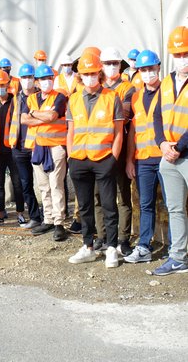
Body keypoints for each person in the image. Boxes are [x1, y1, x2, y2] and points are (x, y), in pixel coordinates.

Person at [67, 52, 124, 268]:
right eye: (86, 73)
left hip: (103, 159)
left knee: (109, 205)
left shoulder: (112, 97)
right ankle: (88, 246)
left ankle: (111, 248)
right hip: (79, 159)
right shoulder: (73, 99)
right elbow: (70, 131)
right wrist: (71, 156)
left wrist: (113, 158)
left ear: (99, 73)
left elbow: (118, 132)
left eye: (93, 73)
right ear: (80, 75)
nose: (90, 77)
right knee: (84, 206)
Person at [152, 26, 188, 276]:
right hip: (169, 156)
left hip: (183, 152)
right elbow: (157, 116)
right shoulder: (166, 82)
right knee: (175, 209)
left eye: (186, 54)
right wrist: (163, 144)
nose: (182, 59)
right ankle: (179, 257)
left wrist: (179, 147)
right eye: (178, 55)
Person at [95, 46, 135, 256]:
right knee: (98, 196)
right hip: (97, 150)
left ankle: (123, 238)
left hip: (120, 146)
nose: (111, 66)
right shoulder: (96, 87)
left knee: (122, 195)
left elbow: (125, 115)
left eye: (115, 63)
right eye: (107, 63)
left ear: (120, 65)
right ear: (101, 66)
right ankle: (102, 236)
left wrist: (99, 117)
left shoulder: (128, 88)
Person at [124, 50, 164, 263]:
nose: (148, 73)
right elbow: (133, 131)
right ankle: (144, 247)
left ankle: (177, 249)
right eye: (144, 69)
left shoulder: (168, 93)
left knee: (174, 205)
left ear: (159, 68)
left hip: (167, 158)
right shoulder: (136, 97)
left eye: (151, 68)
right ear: (138, 71)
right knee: (146, 205)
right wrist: (130, 160)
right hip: (144, 161)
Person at [21, 64, 68, 240]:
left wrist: (34, 114)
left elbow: (52, 116)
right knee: (43, 186)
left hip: (56, 146)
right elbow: (23, 119)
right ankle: (48, 219)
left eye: (49, 78)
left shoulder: (60, 97)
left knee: (56, 185)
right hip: (38, 147)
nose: (46, 81)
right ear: (37, 82)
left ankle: (59, 222)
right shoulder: (31, 99)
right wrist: (41, 116)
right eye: (43, 79)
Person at [0, 70, 25, 226]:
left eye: (2, 84)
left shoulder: (16, 101)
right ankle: (0, 213)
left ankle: (20, 213)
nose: (0, 87)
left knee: (17, 182)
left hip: (12, 148)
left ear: (8, 84)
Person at [9, 63, 42, 229]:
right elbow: (13, 121)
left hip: (37, 145)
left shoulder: (40, 97)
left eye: (29, 77)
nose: (26, 80)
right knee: (26, 184)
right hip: (19, 147)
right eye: (24, 77)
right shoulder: (16, 98)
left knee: (44, 184)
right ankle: (35, 217)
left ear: (34, 79)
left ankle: (51, 217)